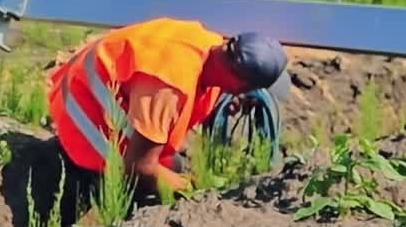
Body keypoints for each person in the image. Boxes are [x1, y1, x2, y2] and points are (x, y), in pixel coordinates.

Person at [46, 17, 288, 198]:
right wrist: (198, 193)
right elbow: (140, 167)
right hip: (84, 122)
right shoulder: (169, 86)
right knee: (149, 193)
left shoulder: (210, 44)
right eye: (247, 89)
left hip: (96, 93)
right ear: (238, 81)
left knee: (174, 167)